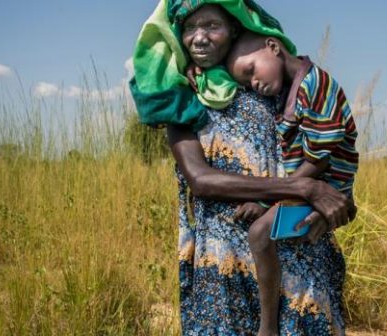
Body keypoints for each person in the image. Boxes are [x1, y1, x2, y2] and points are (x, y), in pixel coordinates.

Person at [130, 1, 354, 334]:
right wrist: (302, 188)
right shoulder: (181, 105)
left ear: (235, 29)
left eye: (212, 26)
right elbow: (201, 180)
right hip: (221, 270)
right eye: (190, 28)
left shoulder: (272, 88)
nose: (200, 38)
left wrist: (334, 206)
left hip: (297, 267)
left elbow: (333, 179)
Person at [226, 31, 358, 335]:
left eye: (251, 72)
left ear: (273, 46)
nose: (253, 84)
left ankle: (267, 327)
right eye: (246, 84)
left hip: (325, 187)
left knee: (260, 234)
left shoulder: (317, 85)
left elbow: (319, 160)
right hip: (305, 187)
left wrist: (264, 200)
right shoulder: (286, 92)